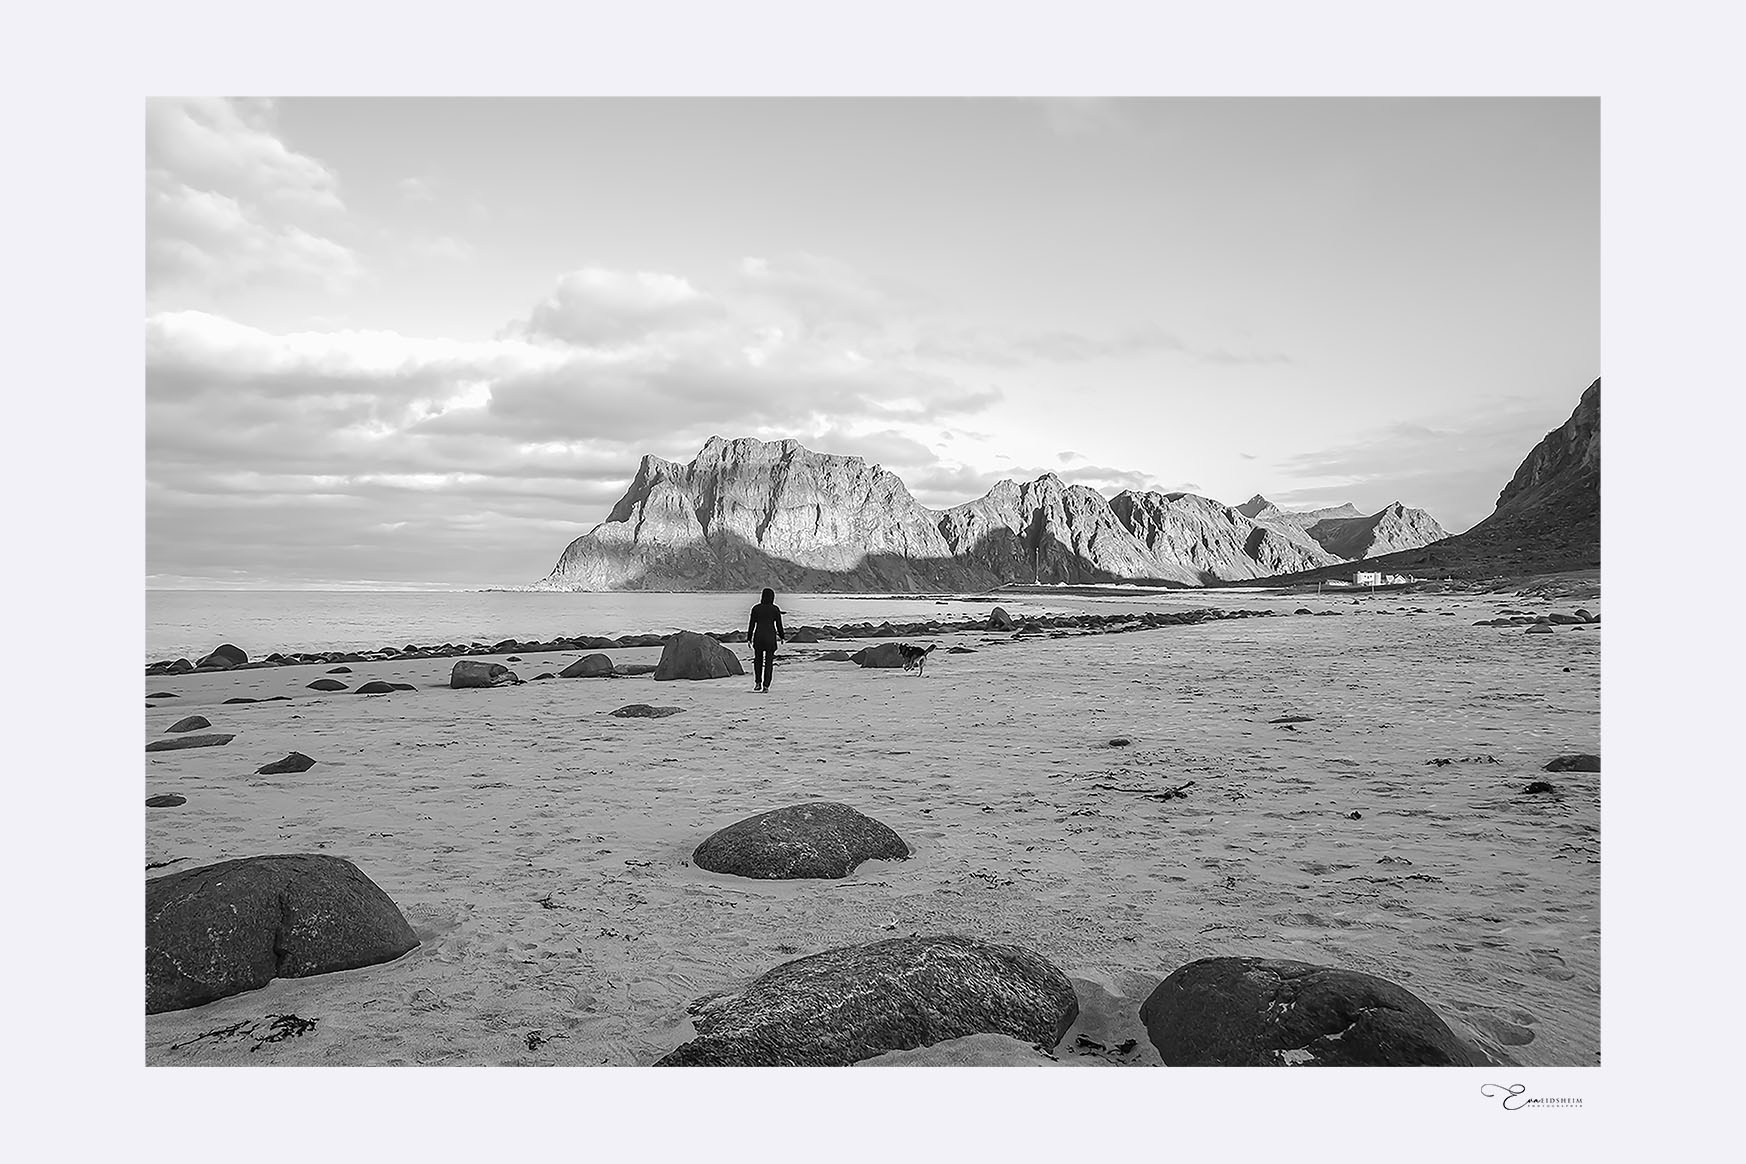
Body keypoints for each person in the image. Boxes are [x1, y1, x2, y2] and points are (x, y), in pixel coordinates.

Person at [747, 587, 785, 693]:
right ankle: (766, 686)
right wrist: (782, 637)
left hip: (758, 637)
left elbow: (751, 625)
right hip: (770, 638)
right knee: (769, 662)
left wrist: (749, 638)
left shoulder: (756, 608)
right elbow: (779, 625)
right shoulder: (775, 609)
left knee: (757, 661)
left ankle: (758, 683)